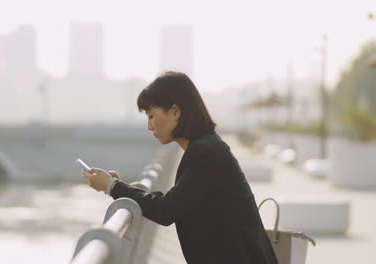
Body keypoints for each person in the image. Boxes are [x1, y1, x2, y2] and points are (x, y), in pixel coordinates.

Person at [82, 72, 279, 264]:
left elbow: (166, 211)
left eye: (151, 116)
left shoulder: (205, 152)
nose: (149, 126)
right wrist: (119, 185)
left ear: (175, 111)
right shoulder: (207, 146)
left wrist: (112, 187)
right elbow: (175, 202)